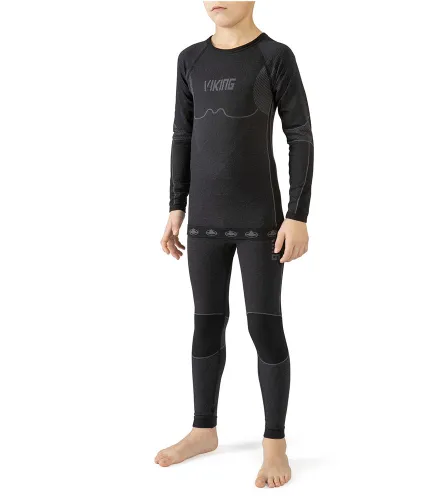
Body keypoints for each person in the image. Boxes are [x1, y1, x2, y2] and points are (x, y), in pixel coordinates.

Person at [155, 1, 313, 488]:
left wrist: (297, 215)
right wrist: (176, 206)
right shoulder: (191, 59)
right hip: (204, 222)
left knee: (264, 327)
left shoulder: (274, 56)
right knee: (206, 325)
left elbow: (300, 135)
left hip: (260, 222)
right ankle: (203, 430)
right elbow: (183, 133)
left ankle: (274, 444)